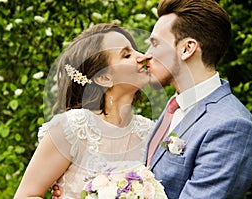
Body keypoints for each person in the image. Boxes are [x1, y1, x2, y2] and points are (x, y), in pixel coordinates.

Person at [14, 23, 155, 199]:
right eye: (127, 55)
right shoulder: (72, 128)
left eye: (136, 50)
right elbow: (26, 195)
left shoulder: (150, 132)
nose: (142, 57)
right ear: (104, 78)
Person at [143, 0, 252, 198]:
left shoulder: (232, 127)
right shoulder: (175, 106)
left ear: (187, 48)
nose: (147, 55)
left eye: (155, 44)